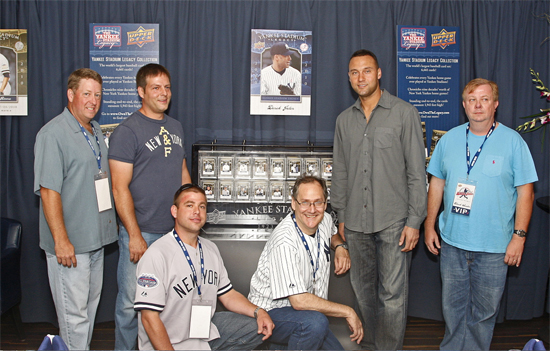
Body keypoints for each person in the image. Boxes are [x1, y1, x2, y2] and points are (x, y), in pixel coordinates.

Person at [424, 78, 538, 350]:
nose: (478, 105)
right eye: (472, 100)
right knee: (452, 311)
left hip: (495, 247)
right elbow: (436, 184)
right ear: (464, 105)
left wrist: (519, 237)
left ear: (495, 104)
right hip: (452, 244)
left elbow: (526, 193)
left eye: (484, 99)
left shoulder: (513, 142)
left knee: (483, 315)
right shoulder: (449, 139)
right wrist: (429, 225)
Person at [331, 49, 427, 350]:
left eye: (367, 71)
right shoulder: (344, 121)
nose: (361, 77)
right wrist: (342, 217)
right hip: (356, 224)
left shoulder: (404, 113)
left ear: (379, 73)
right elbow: (341, 172)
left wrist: (415, 221)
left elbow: (416, 172)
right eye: (355, 72)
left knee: (393, 296)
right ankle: (372, 345)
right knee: (364, 294)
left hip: (394, 221)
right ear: (349, 77)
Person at [108, 63, 191, 350]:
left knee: (169, 303)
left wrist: (189, 217)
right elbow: (118, 188)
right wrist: (133, 234)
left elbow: (183, 175)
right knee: (131, 306)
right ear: (141, 91)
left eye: (167, 87)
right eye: (156, 87)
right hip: (142, 234)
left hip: (173, 234)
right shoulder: (126, 131)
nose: (164, 93)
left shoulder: (176, 127)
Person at [34, 68, 117, 350]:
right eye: (86, 94)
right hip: (70, 247)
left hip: (95, 241)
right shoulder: (53, 134)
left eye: (97, 94)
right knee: (74, 320)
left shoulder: (94, 132)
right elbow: (48, 191)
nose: (93, 100)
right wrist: (60, 240)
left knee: (87, 315)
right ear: (71, 95)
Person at [134, 184, 274, 350]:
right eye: (189, 205)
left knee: (255, 327)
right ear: (174, 211)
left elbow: (228, 295)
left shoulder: (210, 249)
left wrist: (259, 311)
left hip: (203, 336)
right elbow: (149, 318)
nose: (196, 212)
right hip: (169, 343)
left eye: (202, 206)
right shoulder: (157, 254)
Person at [248, 175, 363, 350]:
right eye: (305, 202)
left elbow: (333, 234)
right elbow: (299, 301)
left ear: (325, 204)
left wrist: (340, 246)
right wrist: (348, 311)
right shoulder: (284, 241)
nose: (312, 209)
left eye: (318, 202)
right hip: (270, 312)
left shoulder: (324, 219)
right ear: (294, 203)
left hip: (307, 315)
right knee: (315, 323)